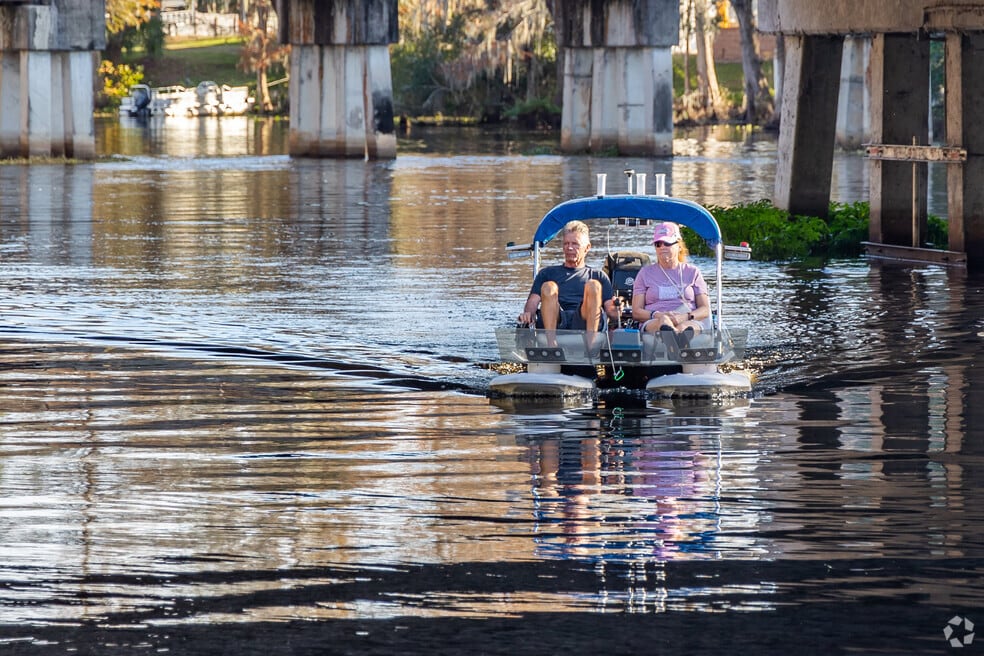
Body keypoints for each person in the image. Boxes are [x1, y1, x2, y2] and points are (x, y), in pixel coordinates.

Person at [517, 220, 619, 336]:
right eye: (566, 244)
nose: (569, 248)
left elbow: (611, 311)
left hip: (585, 319)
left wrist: (618, 309)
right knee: (549, 286)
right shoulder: (547, 274)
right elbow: (533, 302)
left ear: (587, 247)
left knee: (593, 286)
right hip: (556, 318)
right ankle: (551, 347)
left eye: (575, 244)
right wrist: (528, 314)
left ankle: (592, 346)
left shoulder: (598, 276)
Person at [630, 221, 710, 339]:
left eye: (667, 243)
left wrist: (684, 317)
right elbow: (636, 312)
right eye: (658, 244)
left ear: (678, 245)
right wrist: (658, 315)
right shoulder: (644, 274)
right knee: (664, 321)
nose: (662, 247)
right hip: (655, 320)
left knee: (685, 327)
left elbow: (705, 309)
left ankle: (675, 338)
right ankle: (674, 337)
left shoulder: (693, 272)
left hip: (687, 319)